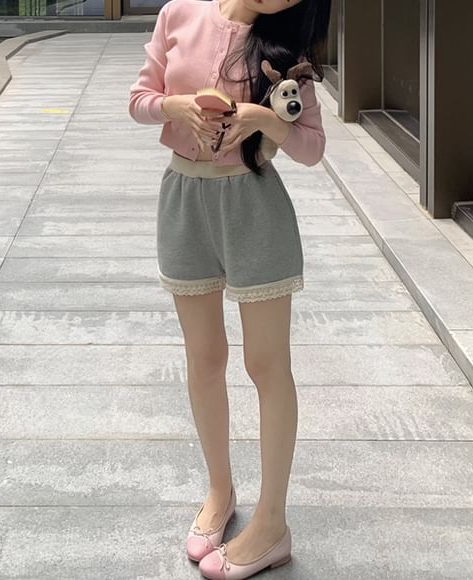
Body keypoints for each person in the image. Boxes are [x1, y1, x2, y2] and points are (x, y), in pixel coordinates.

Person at [128, 0, 331, 578]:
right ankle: (220, 491)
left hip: (255, 208)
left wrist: (266, 119)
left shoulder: (285, 50)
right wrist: (174, 106)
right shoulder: (178, 13)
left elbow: (313, 148)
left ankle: (272, 523)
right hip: (184, 202)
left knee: (267, 366)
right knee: (204, 357)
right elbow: (139, 99)